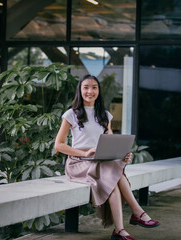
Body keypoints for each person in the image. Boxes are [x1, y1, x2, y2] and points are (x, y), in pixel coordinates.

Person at [54, 75, 160, 240]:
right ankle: (135, 215)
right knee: (113, 174)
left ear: (98, 90)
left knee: (112, 172)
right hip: (78, 162)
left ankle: (121, 229)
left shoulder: (104, 115)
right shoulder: (71, 114)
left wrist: (122, 155)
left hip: (100, 160)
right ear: (80, 90)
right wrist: (84, 153)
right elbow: (59, 145)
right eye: (86, 87)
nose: (90, 91)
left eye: (94, 87)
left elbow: (111, 143)